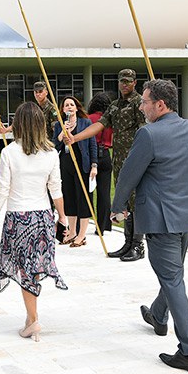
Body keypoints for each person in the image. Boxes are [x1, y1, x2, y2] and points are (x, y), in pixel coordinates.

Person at [111, 79, 188, 374]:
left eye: (145, 102)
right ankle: (158, 316)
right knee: (173, 273)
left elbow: (128, 175)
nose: (141, 106)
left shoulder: (148, 134)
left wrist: (117, 207)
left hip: (162, 220)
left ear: (160, 105)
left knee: (173, 279)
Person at [0, 102, 68, 342]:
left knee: (25, 270)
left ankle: (33, 320)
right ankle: (30, 318)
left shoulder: (10, 152)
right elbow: (56, 189)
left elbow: (2, 188)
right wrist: (62, 217)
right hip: (42, 217)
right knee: (33, 268)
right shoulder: (51, 153)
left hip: (18, 218)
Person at [66, 68, 146, 261]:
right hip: (119, 161)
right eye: (122, 81)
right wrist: (75, 138)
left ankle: (138, 245)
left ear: (135, 82)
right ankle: (128, 243)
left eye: (128, 81)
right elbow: (99, 125)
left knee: (136, 202)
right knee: (125, 200)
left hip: (135, 159)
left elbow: (145, 130)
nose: (125, 84)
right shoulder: (115, 106)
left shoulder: (139, 103)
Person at [52, 96, 97, 247]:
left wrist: (94, 165)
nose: (69, 107)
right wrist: (60, 136)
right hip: (66, 164)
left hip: (82, 164)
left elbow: (92, 145)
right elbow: (54, 147)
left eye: (72, 104)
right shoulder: (59, 125)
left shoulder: (86, 123)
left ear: (76, 108)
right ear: (63, 110)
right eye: (66, 105)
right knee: (69, 198)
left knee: (83, 199)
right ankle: (72, 232)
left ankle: (82, 235)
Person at [87, 92, 114, 237]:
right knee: (104, 194)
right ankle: (103, 226)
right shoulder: (109, 120)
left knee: (88, 190)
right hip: (106, 155)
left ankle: (84, 221)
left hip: (92, 154)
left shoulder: (89, 119)